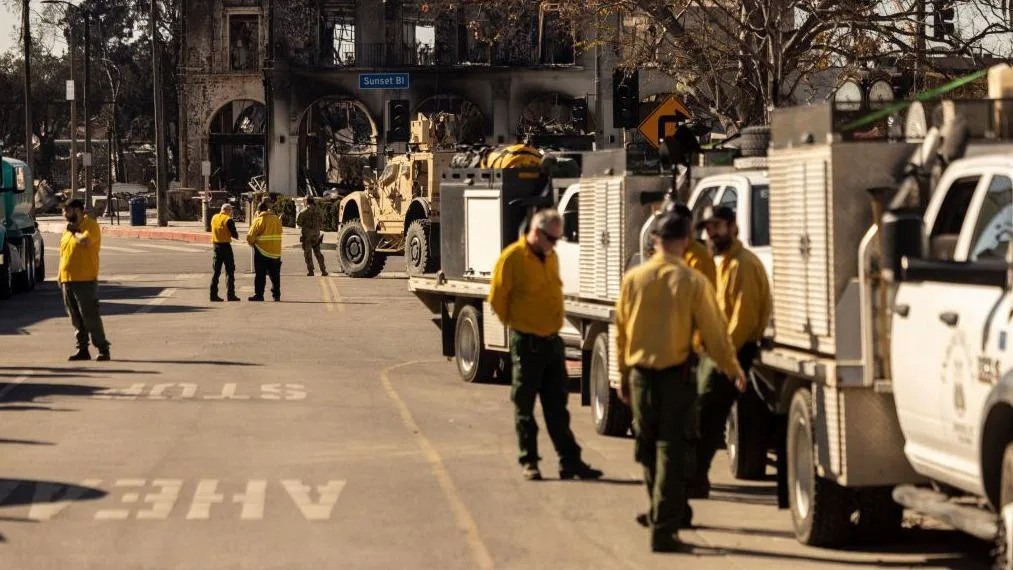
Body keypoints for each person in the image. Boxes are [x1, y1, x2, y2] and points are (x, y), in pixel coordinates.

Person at [615, 211, 745, 553]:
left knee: (647, 449)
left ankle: (659, 514)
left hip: (641, 376)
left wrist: (623, 376)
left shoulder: (634, 279)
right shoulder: (692, 282)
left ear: (655, 240)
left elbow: (621, 333)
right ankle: (663, 528)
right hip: (677, 378)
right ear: (685, 242)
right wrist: (732, 368)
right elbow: (715, 333)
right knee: (672, 452)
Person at [488, 209, 603, 482]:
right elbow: (497, 299)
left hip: (552, 343)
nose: (555, 245)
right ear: (537, 233)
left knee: (557, 408)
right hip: (527, 344)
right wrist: (518, 325)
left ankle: (569, 462)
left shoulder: (550, 257)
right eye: (552, 239)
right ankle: (530, 461)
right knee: (524, 406)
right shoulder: (513, 259)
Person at [691, 205, 773, 498]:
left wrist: (723, 359)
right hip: (717, 352)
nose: (710, 233)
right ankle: (695, 479)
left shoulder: (743, 265)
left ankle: (694, 481)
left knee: (706, 419)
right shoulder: (723, 263)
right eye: (708, 228)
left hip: (731, 353)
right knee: (704, 419)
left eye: (717, 226)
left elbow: (743, 320)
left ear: (733, 227)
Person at [59, 199, 111, 361]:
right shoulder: (68, 231)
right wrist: (60, 277)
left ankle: (103, 348)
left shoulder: (90, 226)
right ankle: (82, 349)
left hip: (85, 280)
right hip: (67, 281)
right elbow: (64, 255)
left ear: (77, 210)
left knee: (90, 316)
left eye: (67, 210)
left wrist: (75, 231)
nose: (64, 214)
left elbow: (86, 241)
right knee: (75, 318)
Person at [247, 201, 283, 302]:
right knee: (275, 275)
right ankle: (276, 295)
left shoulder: (259, 220)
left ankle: (259, 295)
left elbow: (250, 236)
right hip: (276, 252)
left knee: (260, 275)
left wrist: (252, 243)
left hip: (262, 251)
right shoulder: (276, 219)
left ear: (258, 210)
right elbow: (280, 231)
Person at [210, 203, 241, 302]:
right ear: (227, 210)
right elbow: (235, 234)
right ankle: (230, 295)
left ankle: (213, 295)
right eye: (231, 210)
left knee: (216, 272)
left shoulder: (214, 217)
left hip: (216, 246)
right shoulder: (228, 220)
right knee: (230, 271)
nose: (231, 213)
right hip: (226, 247)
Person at [296, 197, 328, 277]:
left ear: (306, 202)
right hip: (316, 234)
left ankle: (311, 271)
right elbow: (322, 220)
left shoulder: (304, 211)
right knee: (318, 253)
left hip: (307, 235)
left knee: (308, 254)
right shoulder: (319, 210)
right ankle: (323, 270)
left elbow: (299, 223)